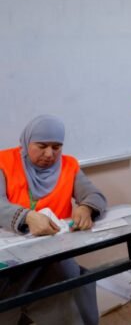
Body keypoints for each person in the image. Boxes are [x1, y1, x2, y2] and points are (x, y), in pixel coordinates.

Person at [0, 115, 107, 325]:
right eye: (41, 146)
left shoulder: (68, 165)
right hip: (12, 255)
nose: (49, 154)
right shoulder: (4, 162)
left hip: (53, 252)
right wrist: (27, 217)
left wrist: (86, 208)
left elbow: (95, 195)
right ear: (26, 141)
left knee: (69, 277)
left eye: (56, 147)